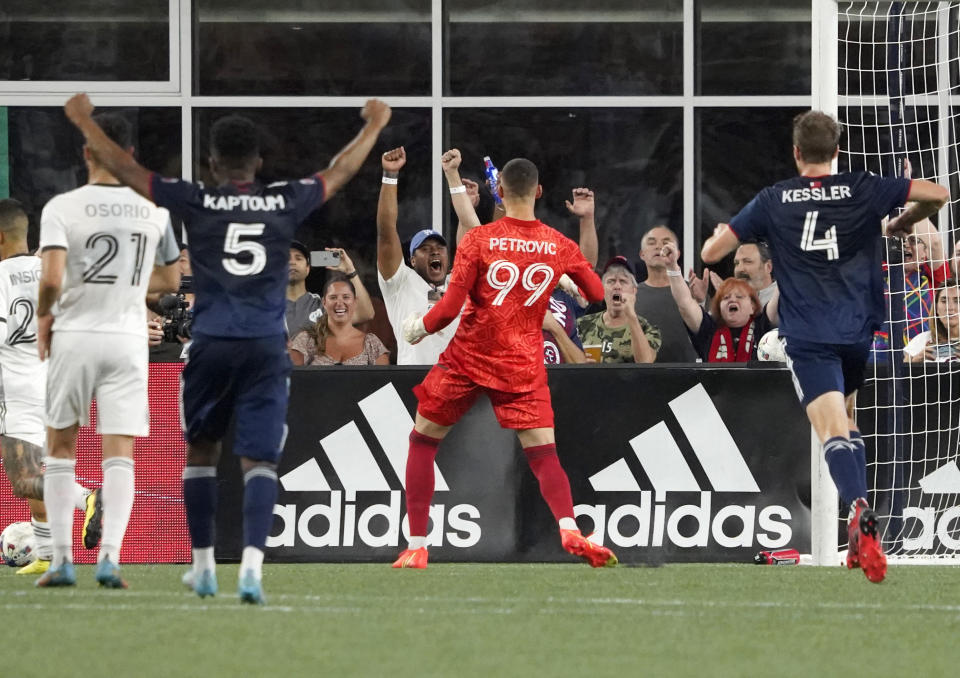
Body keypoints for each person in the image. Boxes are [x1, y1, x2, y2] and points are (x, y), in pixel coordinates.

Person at [63, 92, 391, 603]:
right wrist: (372, 127)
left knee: (201, 450)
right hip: (265, 344)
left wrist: (85, 122)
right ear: (258, 163)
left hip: (211, 341)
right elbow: (338, 171)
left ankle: (203, 566)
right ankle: (253, 569)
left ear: (212, 163)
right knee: (259, 460)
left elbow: (127, 169)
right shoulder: (283, 198)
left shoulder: (196, 198)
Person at [701, 110, 948, 583]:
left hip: (810, 333)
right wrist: (902, 223)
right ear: (837, 151)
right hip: (858, 329)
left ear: (796, 152)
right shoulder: (864, 186)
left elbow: (713, 255)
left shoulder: (773, 199)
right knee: (848, 419)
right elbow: (938, 194)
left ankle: (859, 510)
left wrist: (718, 238)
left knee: (831, 427)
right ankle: (859, 539)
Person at [393, 158, 617, 569]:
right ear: (538, 191)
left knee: (422, 442)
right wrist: (563, 274)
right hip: (522, 363)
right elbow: (597, 292)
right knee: (545, 455)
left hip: (469, 356)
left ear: (500, 192)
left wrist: (416, 328)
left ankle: (417, 544)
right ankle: (568, 526)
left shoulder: (479, 240)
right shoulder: (557, 244)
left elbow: (446, 312)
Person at [36, 111, 182, 588]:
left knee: (60, 449)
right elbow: (170, 281)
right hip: (127, 338)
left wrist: (43, 317)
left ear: (86, 152)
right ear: (130, 156)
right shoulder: (155, 210)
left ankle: (60, 561)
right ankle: (112, 559)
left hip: (75, 334)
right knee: (118, 454)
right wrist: (128, 284)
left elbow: (52, 278)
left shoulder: (62, 206)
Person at [0, 199, 101, 576]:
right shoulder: (52, 270)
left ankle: (87, 497)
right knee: (39, 470)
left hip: (18, 387)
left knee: (25, 479)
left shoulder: (0, 279)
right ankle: (49, 555)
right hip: (63, 384)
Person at [376, 146, 463, 365]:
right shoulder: (400, 282)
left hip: (459, 385)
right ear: (412, 261)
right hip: (415, 384)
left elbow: (473, 240)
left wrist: (463, 198)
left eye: (440, 247)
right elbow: (386, 233)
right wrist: (390, 176)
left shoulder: (458, 284)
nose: (434, 250)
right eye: (425, 249)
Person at [663, 242, 778, 362]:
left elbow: (778, 300)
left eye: (739, 296)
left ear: (753, 306)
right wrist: (672, 268)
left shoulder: (763, 325)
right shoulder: (709, 328)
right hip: (714, 381)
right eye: (726, 297)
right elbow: (685, 303)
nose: (732, 300)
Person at [289, 272, 389, 366]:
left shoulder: (371, 343)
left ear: (355, 302)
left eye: (346, 297)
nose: (340, 303)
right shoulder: (306, 339)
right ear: (324, 302)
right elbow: (292, 379)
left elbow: (385, 381)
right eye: (333, 297)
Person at [576, 256, 660, 364]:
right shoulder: (581, 325)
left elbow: (645, 362)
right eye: (611, 281)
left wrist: (631, 315)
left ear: (634, 291)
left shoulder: (647, 328)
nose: (617, 286)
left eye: (623, 281)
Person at [633, 225, 698, 362]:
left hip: (688, 377)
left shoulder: (691, 291)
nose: (658, 247)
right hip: (643, 377)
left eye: (665, 242)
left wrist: (701, 301)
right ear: (642, 254)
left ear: (677, 254)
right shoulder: (631, 295)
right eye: (652, 243)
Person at [285, 241, 374, 337]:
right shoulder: (268, 306)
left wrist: (350, 271)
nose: (292, 262)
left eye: (298, 258)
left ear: (308, 269)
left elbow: (365, 313)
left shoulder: (323, 307)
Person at [903, 281, 960, 363]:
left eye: (957, 301)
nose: (950, 308)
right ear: (936, 308)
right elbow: (902, 373)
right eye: (944, 301)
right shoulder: (921, 340)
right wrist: (917, 360)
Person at [734, 240, 778, 306]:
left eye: (747, 262)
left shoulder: (787, 299)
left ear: (768, 267)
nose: (739, 269)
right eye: (737, 263)